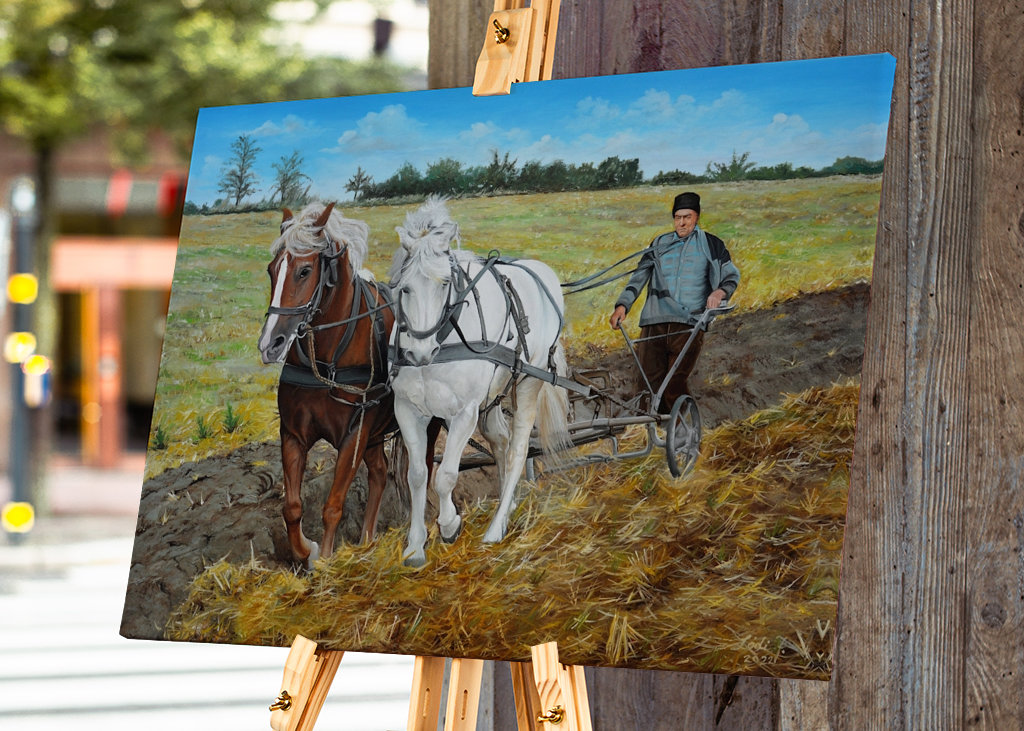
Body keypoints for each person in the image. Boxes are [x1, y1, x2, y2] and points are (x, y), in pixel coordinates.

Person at [609, 191, 740, 413]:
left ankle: (681, 432)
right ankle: (649, 435)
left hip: (689, 324)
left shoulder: (712, 244)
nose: (681, 222)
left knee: (673, 385)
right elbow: (639, 276)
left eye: (687, 217)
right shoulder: (659, 244)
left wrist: (719, 293)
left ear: (697, 217)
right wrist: (623, 305)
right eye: (678, 217)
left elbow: (731, 276)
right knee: (647, 386)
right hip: (654, 321)